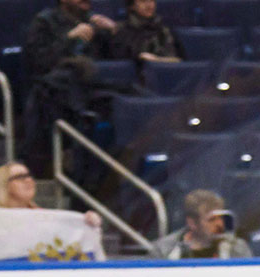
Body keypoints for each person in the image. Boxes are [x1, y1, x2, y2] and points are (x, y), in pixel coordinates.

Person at [19, 0, 117, 175]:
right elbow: (38, 62)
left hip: (91, 88)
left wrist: (114, 31)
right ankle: (67, 153)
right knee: (63, 81)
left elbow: (115, 60)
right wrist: (69, 38)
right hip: (55, 92)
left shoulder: (92, 22)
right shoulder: (45, 21)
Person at [153, 189, 252, 258]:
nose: (219, 224)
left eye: (220, 218)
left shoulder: (237, 248)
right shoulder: (163, 250)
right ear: (192, 223)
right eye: (212, 219)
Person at [111, 0, 183, 67]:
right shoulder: (121, 31)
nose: (149, 5)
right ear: (132, 5)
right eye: (143, 1)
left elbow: (177, 59)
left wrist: (156, 60)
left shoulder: (164, 30)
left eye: (151, 0)